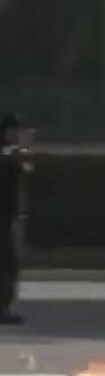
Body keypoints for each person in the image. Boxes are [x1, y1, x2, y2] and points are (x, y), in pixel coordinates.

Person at [0, 112, 34, 325]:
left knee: (9, 264)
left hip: (7, 215)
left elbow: (28, 166)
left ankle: (4, 307)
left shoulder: (15, 154)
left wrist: (24, 150)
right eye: (11, 131)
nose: (14, 135)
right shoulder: (7, 153)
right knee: (6, 263)